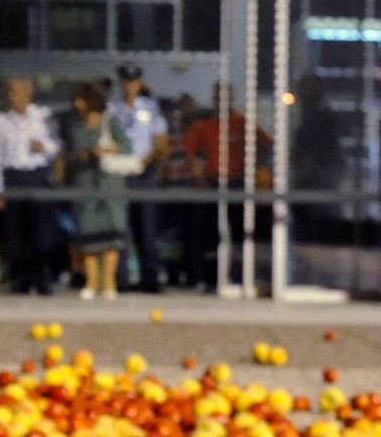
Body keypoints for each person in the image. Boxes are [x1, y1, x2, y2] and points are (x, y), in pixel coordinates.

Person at [183, 82, 274, 290]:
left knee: (239, 232)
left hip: (237, 184)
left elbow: (267, 144)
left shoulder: (242, 123)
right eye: (218, 97)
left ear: (231, 99)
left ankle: (239, 276)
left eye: (225, 97)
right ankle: (211, 279)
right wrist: (198, 172)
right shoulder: (206, 125)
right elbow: (190, 151)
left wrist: (258, 169)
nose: (222, 101)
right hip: (213, 184)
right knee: (210, 232)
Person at [0, 78, 61, 296]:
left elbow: (56, 146)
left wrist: (43, 146)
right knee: (14, 233)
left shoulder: (42, 117)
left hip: (36, 176)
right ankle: (20, 281)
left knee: (41, 233)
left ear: (29, 95)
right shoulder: (1, 121)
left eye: (18, 92)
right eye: (11, 92)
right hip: (13, 177)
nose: (13, 96)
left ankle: (43, 279)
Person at [106, 62, 170, 293]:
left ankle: (150, 278)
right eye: (125, 81)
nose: (129, 86)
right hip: (119, 174)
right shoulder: (111, 109)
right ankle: (120, 279)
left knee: (147, 228)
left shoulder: (150, 108)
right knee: (120, 229)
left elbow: (160, 140)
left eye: (133, 82)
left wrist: (144, 163)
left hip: (144, 173)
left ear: (139, 83)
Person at [66, 82, 131, 300]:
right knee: (88, 231)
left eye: (81, 99)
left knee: (112, 231)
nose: (78, 104)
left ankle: (109, 281)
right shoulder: (76, 125)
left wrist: (106, 149)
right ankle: (91, 281)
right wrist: (85, 154)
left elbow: (126, 146)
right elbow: (71, 153)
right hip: (85, 183)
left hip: (110, 183)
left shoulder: (110, 121)